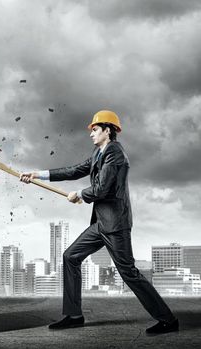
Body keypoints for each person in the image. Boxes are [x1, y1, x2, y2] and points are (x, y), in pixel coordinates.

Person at [19, 110, 179, 334]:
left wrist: (80, 195)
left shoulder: (115, 153)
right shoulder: (98, 152)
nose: (91, 133)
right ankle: (74, 315)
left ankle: (168, 320)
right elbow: (74, 170)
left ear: (108, 130)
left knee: (128, 273)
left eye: (95, 129)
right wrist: (38, 174)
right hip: (100, 224)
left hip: (115, 225)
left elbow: (102, 188)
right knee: (70, 256)